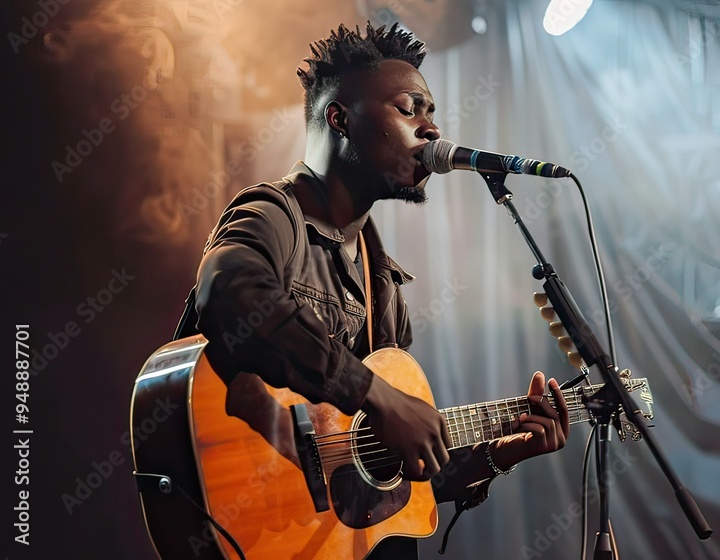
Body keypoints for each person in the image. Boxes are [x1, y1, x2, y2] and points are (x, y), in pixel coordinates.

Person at [189, 22, 570, 559]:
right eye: (410, 108)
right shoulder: (275, 214)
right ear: (340, 119)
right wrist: (377, 394)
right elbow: (230, 295)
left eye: (432, 112)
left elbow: (390, 489)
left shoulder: (381, 280)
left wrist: (498, 455)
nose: (432, 129)